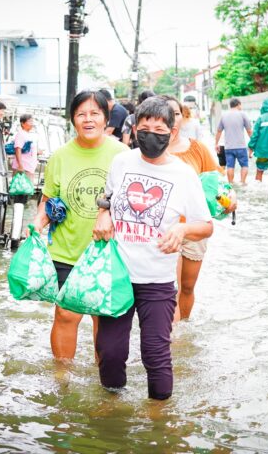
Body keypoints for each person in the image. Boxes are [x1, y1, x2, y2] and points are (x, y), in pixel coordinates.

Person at [92, 96, 213, 400]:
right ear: (133, 129)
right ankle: (112, 408)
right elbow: (107, 197)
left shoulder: (183, 174)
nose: (151, 135)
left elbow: (206, 225)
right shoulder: (122, 162)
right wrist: (103, 214)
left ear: (172, 134)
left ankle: (160, 421)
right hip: (118, 275)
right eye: (144, 128)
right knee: (109, 351)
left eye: (160, 129)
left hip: (157, 282)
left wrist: (183, 228)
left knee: (155, 354)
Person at [32, 90, 128, 361]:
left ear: (106, 118)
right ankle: (62, 380)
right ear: (72, 119)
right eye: (81, 114)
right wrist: (39, 221)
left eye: (95, 113)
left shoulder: (122, 154)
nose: (88, 120)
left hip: (107, 251)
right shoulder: (60, 157)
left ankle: (102, 375)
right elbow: (49, 200)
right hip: (66, 248)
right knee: (65, 314)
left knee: (102, 317)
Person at [160, 95, 234, 323]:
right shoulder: (150, 150)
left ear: (183, 116)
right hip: (163, 229)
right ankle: (171, 342)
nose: (172, 119)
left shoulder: (197, 148)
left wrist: (231, 198)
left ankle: (183, 327)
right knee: (168, 289)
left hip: (195, 227)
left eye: (177, 113)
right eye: (166, 113)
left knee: (188, 286)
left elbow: (219, 182)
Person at [215, 98, 252, 185]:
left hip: (228, 147)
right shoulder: (242, 114)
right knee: (244, 165)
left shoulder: (224, 116)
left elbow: (219, 131)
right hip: (241, 146)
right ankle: (242, 182)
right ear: (238, 104)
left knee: (230, 166)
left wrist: (216, 143)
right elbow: (249, 131)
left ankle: (231, 183)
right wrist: (254, 142)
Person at [12, 114, 38, 184]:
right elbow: (18, 149)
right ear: (22, 123)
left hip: (29, 167)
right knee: (21, 190)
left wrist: (37, 152)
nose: (32, 123)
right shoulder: (21, 134)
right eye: (29, 121)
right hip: (23, 168)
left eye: (32, 121)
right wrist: (20, 166)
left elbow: (27, 150)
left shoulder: (27, 134)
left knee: (27, 190)